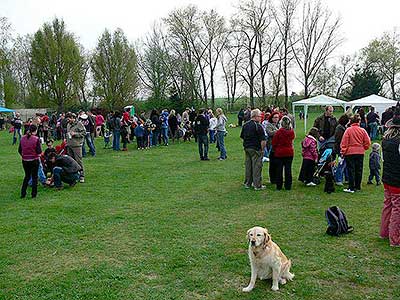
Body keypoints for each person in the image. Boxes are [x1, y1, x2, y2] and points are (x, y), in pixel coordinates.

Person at [380, 105, 400, 247]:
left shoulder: (386, 140)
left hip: (387, 178)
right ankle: (395, 238)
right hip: (396, 180)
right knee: (397, 208)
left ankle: (384, 233)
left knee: (388, 205)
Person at [340, 114, 371, 193]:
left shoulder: (348, 130)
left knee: (351, 170)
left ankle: (351, 187)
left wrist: (343, 152)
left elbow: (344, 142)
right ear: (359, 121)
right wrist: (364, 148)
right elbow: (367, 142)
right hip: (360, 152)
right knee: (359, 169)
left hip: (350, 152)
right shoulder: (362, 130)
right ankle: (358, 186)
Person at [240, 109, 267, 190]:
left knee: (248, 166)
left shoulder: (245, 125)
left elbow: (242, 137)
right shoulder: (258, 126)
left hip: (247, 148)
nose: (261, 117)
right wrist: (262, 150)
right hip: (256, 149)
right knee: (257, 167)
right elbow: (263, 140)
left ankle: (248, 183)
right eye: (260, 116)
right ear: (255, 116)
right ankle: (257, 185)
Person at [18, 125, 42, 198]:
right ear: (35, 130)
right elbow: (39, 151)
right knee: (34, 177)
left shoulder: (22, 139)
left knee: (27, 176)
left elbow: (19, 150)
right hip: (34, 160)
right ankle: (33, 194)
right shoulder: (36, 139)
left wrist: (24, 155)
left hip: (25, 160)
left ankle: (23, 193)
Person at [272, 116, 295, 191]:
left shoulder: (279, 132)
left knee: (279, 170)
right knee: (288, 170)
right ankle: (288, 185)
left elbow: (274, 142)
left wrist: (275, 149)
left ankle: (279, 185)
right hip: (289, 152)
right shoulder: (291, 132)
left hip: (279, 153)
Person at [65, 113, 86, 183]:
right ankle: (74, 176)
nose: (67, 120)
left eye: (69, 119)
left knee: (78, 161)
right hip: (69, 145)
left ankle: (82, 176)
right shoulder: (68, 124)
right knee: (71, 161)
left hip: (77, 145)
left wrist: (75, 134)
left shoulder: (79, 124)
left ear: (73, 118)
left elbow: (84, 133)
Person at [334, 114, 350, 185]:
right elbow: (339, 140)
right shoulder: (340, 128)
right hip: (341, 149)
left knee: (345, 164)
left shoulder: (342, 127)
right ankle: (338, 179)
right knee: (341, 164)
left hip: (342, 148)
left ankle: (346, 178)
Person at [265, 111, 281, 184]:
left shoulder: (279, 125)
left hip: (279, 145)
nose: (276, 119)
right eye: (275, 117)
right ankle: (272, 179)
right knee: (272, 163)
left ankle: (278, 177)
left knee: (278, 162)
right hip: (271, 145)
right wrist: (279, 131)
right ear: (272, 118)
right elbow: (270, 133)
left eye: (277, 117)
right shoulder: (269, 125)